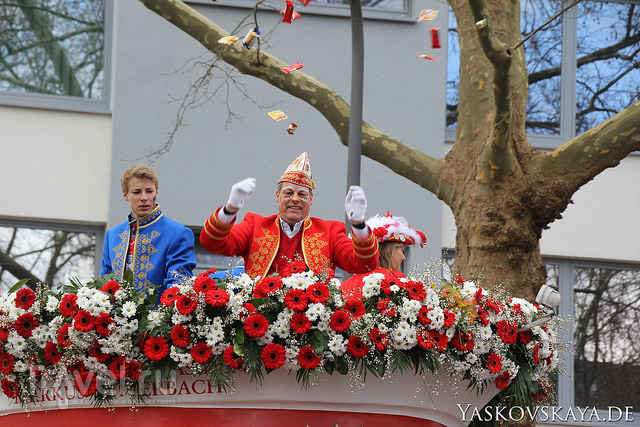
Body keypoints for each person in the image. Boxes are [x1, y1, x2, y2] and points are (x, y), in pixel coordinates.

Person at [199, 152, 379, 279]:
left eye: (302, 195)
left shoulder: (330, 232)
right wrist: (229, 209)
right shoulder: (255, 225)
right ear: (277, 196)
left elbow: (364, 264)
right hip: (258, 323)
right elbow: (212, 243)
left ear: (311, 199)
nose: (295, 199)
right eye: (288, 193)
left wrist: (358, 223)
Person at [100, 164, 197, 295]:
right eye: (137, 192)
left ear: (156, 192)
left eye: (149, 191)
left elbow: (178, 287)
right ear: (125, 195)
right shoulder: (112, 236)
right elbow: (104, 286)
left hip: (160, 314)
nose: (144, 197)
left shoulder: (179, 233)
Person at [340, 212, 427, 299]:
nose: (404, 258)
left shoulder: (344, 286)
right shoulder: (395, 280)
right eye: (401, 250)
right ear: (388, 251)